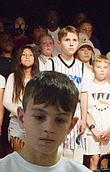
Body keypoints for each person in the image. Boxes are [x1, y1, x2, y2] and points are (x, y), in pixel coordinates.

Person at [42, 26, 85, 161]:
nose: (71, 43)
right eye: (67, 40)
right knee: (56, 155)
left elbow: (84, 94)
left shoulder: (82, 66)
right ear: (59, 43)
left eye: (74, 40)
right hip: (56, 114)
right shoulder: (52, 64)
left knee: (76, 160)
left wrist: (84, 118)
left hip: (76, 116)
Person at [80, 55, 110, 169]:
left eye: (105, 67)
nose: (102, 70)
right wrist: (93, 128)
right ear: (93, 69)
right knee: (94, 159)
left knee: (104, 162)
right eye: (99, 67)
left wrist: (109, 129)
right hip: (91, 131)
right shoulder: (87, 87)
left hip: (107, 131)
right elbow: (85, 111)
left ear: (109, 70)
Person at [3, 44, 39, 152]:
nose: (27, 57)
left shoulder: (39, 78)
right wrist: (20, 113)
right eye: (24, 55)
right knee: (18, 155)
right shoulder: (13, 77)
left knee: (34, 156)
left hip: (35, 121)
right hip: (17, 120)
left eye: (30, 55)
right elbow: (6, 101)